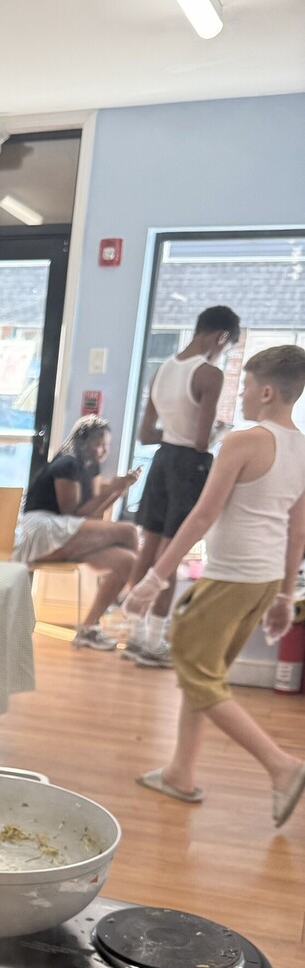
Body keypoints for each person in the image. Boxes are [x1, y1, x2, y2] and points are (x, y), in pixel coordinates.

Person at [127, 345, 305, 827]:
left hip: (231, 579)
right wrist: (286, 596)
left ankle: (282, 767)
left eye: (245, 386)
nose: (241, 395)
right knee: (204, 677)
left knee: (195, 669)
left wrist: (154, 577)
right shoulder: (302, 447)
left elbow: (202, 515)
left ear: (267, 392)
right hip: (263, 582)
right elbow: (298, 529)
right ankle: (181, 773)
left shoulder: (244, 442)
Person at [124, 305, 242, 668]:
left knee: (150, 546)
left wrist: (176, 434)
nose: (225, 353)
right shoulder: (209, 373)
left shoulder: (162, 369)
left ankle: (134, 635)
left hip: (161, 460)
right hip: (189, 466)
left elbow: (146, 434)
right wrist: (224, 429)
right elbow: (204, 442)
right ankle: (155, 641)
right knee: (172, 553)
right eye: (228, 346)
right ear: (222, 336)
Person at [11, 416, 142, 649]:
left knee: (127, 561)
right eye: (99, 444)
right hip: (43, 529)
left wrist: (115, 492)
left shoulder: (91, 468)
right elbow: (70, 513)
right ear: (84, 443)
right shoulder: (67, 464)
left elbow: (90, 516)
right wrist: (109, 491)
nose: (103, 451)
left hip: (66, 533)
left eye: (107, 446)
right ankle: (138, 608)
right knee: (130, 532)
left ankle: (89, 628)